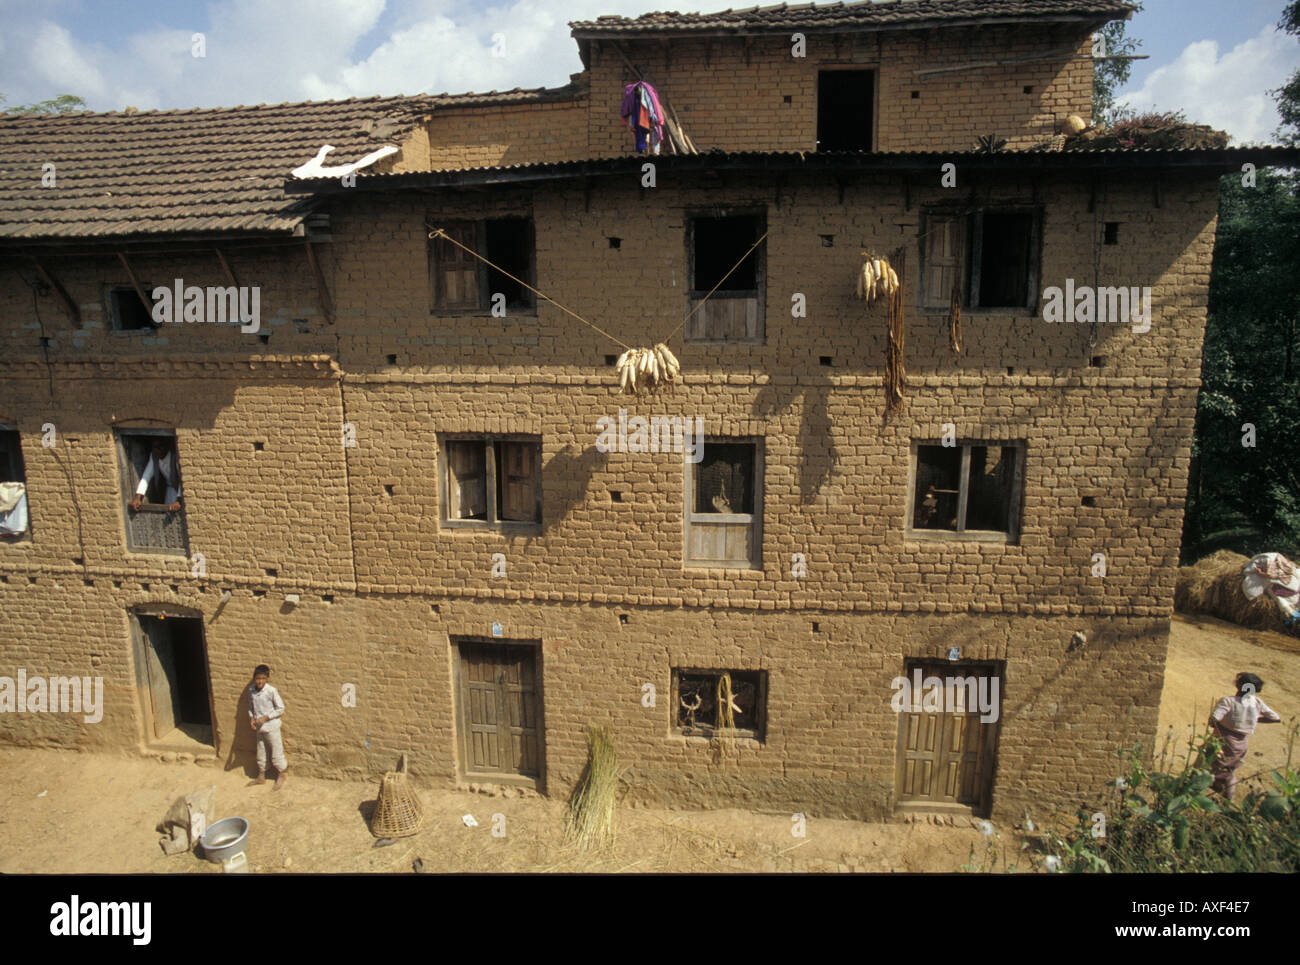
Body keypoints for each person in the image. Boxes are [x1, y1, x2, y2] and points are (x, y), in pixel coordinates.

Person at [1208, 672, 1281, 800]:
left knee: (1207, 765)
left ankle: (1192, 790)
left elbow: (1213, 720)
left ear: (1239, 685)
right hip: (1242, 743)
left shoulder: (1228, 701)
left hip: (1222, 740)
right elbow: (1276, 718)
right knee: (1230, 772)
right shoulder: (1257, 702)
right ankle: (1228, 800)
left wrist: (1220, 726)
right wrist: (1253, 720)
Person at [247, 664, 288, 790]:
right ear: (254, 678)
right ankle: (261, 776)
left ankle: (281, 774)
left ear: (267, 678)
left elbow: (280, 708)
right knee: (261, 753)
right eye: (258, 678)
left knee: (276, 753)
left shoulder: (271, 691)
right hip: (260, 728)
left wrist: (265, 717)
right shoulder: (251, 690)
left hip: (271, 727)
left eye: (263, 678)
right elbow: (250, 707)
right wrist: (252, 719)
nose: (260, 681)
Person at [129, 437, 182, 513]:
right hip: (169, 489)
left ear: (167, 446)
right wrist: (137, 497)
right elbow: (146, 477)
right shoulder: (154, 457)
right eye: (155, 447)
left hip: (180, 490)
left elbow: (182, 479)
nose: (158, 450)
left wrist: (179, 500)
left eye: (161, 446)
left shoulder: (175, 456)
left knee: (179, 511)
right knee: (168, 512)